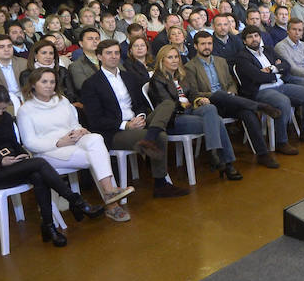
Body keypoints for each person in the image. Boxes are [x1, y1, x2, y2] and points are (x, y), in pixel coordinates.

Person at [0, 84, 103, 247]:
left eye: (3, 109)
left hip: (12, 164)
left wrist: (22, 154)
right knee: (40, 163)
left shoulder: (4, 117)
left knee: (38, 175)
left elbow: (13, 142)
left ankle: (49, 226)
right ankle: (77, 202)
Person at [17, 69, 134, 222]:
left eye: (52, 82)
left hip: (73, 141)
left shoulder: (62, 101)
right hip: (48, 151)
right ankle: (112, 203)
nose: (49, 86)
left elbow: (74, 124)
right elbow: (29, 142)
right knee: (97, 156)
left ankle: (109, 192)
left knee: (96, 138)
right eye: (44, 82)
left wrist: (80, 130)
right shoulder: (25, 110)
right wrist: (58, 143)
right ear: (33, 85)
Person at [77, 39, 181, 197]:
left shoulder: (128, 77)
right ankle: (161, 184)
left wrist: (140, 117)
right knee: (161, 136)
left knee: (167, 103)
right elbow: (95, 120)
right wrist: (126, 125)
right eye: (108, 53)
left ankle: (150, 135)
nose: (113, 56)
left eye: (116, 53)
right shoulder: (91, 84)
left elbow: (140, 104)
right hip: (115, 131)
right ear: (99, 56)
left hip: (138, 122)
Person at [180, 31, 279, 168]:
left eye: (209, 43)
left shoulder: (221, 61)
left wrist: (231, 93)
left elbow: (231, 83)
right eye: (203, 44)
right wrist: (218, 95)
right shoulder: (190, 67)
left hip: (229, 101)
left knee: (247, 113)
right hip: (210, 106)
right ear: (196, 46)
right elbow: (194, 93)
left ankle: (263, 155)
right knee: (219, 95)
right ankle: (259, 106)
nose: (207, 47)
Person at [147, 46, 242, 181]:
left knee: (210, 109)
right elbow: (167, 105)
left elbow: (192, 94)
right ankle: (227, 163)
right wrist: (185, 105)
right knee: (218, 121)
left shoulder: (181, 75)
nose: (174, 60)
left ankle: (215, 155)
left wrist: (199, 99)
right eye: (170, 57)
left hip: (190, 111)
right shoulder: (157, 80)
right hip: (174, 118)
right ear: (162, 60)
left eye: (176, 57)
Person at [234, 24, 304, 150]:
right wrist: (277, 74)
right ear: (244, 41)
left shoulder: (268, 50)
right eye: (250, 37)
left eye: (256, 36)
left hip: (281, 86)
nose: (254, 39)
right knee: (283, 101)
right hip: (261, 91)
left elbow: (286, 66)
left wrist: (272, 69)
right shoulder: (242, 57)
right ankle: (281, 142)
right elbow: (257, 76)